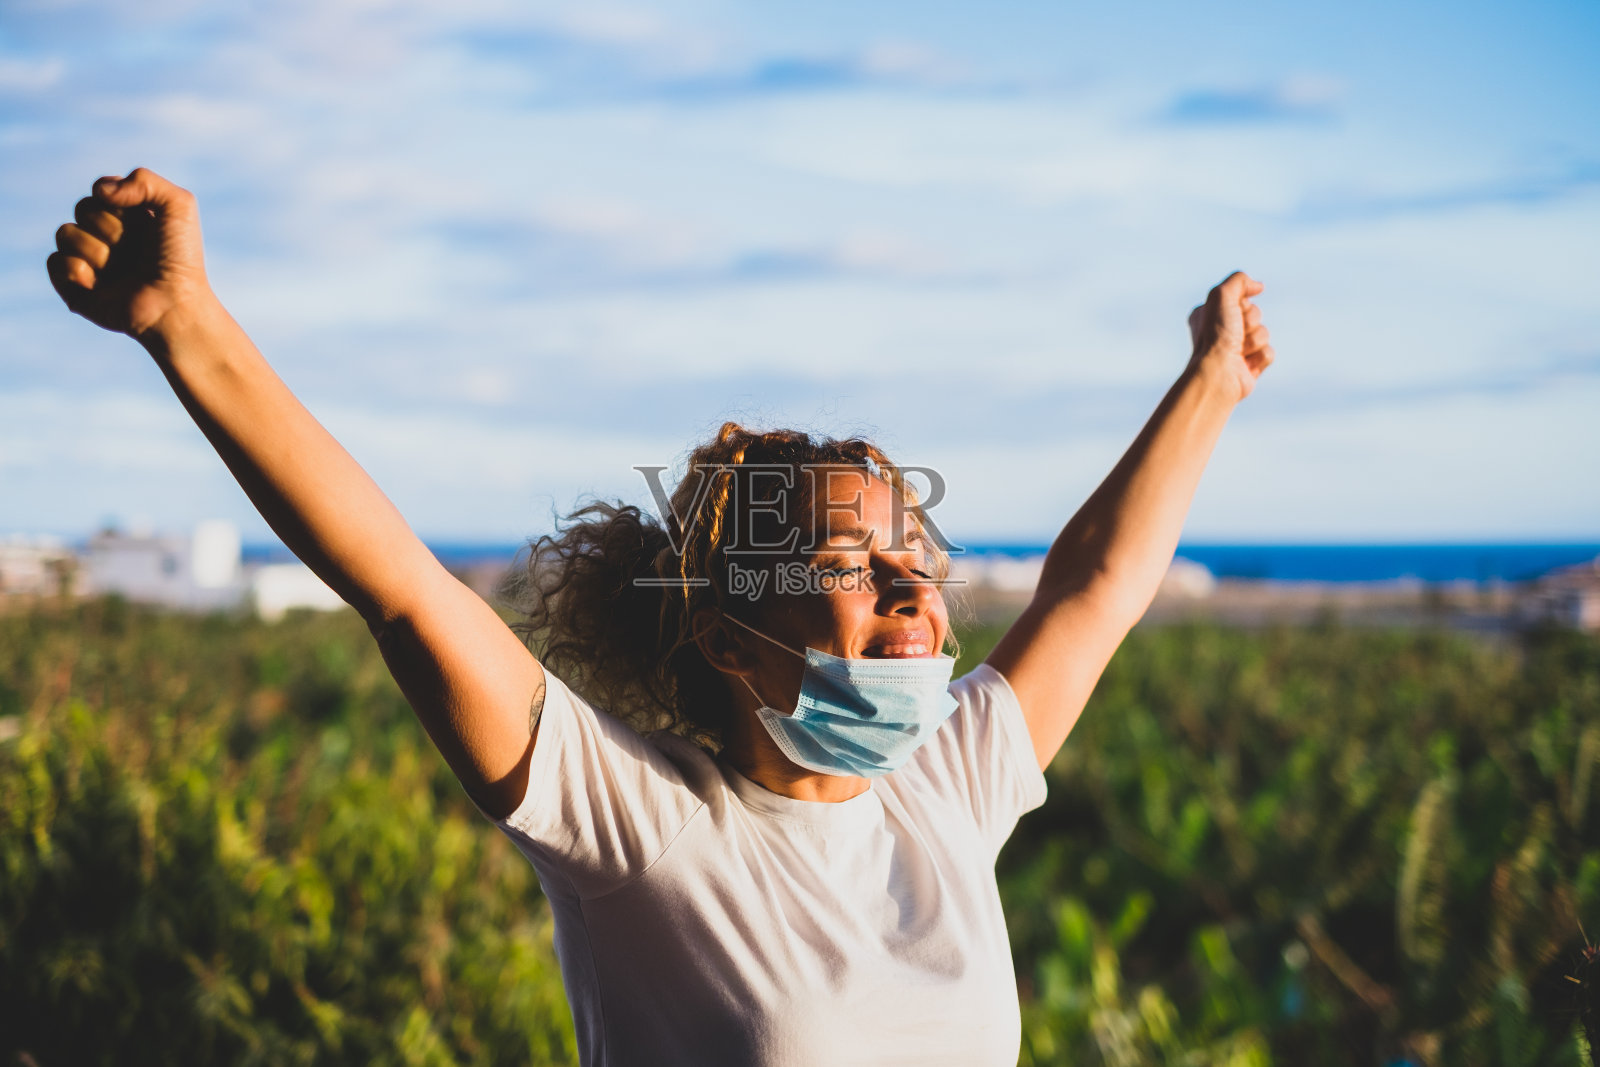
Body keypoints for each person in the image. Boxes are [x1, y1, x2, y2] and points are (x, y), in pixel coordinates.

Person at [47, 168, 1274, 1066]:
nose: (912, 588)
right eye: (851, 562)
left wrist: (1213, 380)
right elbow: (402, 588)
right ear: (728, 636)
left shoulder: (948, 784)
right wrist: (185, 326)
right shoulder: (640, 826)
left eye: (917, 556)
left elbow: (1095, 588)